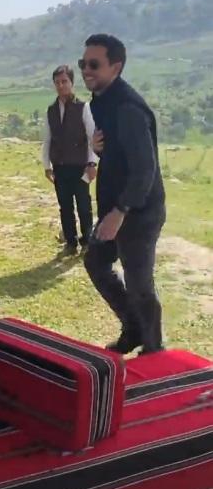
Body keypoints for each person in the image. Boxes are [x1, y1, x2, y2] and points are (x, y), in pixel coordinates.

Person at [80, 34, 166, 354]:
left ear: (115, 67)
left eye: (94, 64)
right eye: (83, 63)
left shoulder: (128, 108)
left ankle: (154, 351)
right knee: (96, 262)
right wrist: (99, 149)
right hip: (115, 207)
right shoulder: (101, 101)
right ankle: (134, 329)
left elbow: (145, 169)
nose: (86, 70)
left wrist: (120, 212)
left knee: (139, 284)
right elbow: (120, 154)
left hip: (139, 211)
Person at [42, 65, 98, 255]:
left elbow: (92, 138)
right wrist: (47, 166)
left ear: (72, 82)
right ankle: (70, 243)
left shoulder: (83, 107)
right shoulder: (51, 111)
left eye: (64, 81)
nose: (61, 85)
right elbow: (47, 139)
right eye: (57, 82)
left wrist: (92, 164)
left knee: (83, 205)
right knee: (65, 207)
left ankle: (87, 242)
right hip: (60, 166)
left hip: (80, 166)